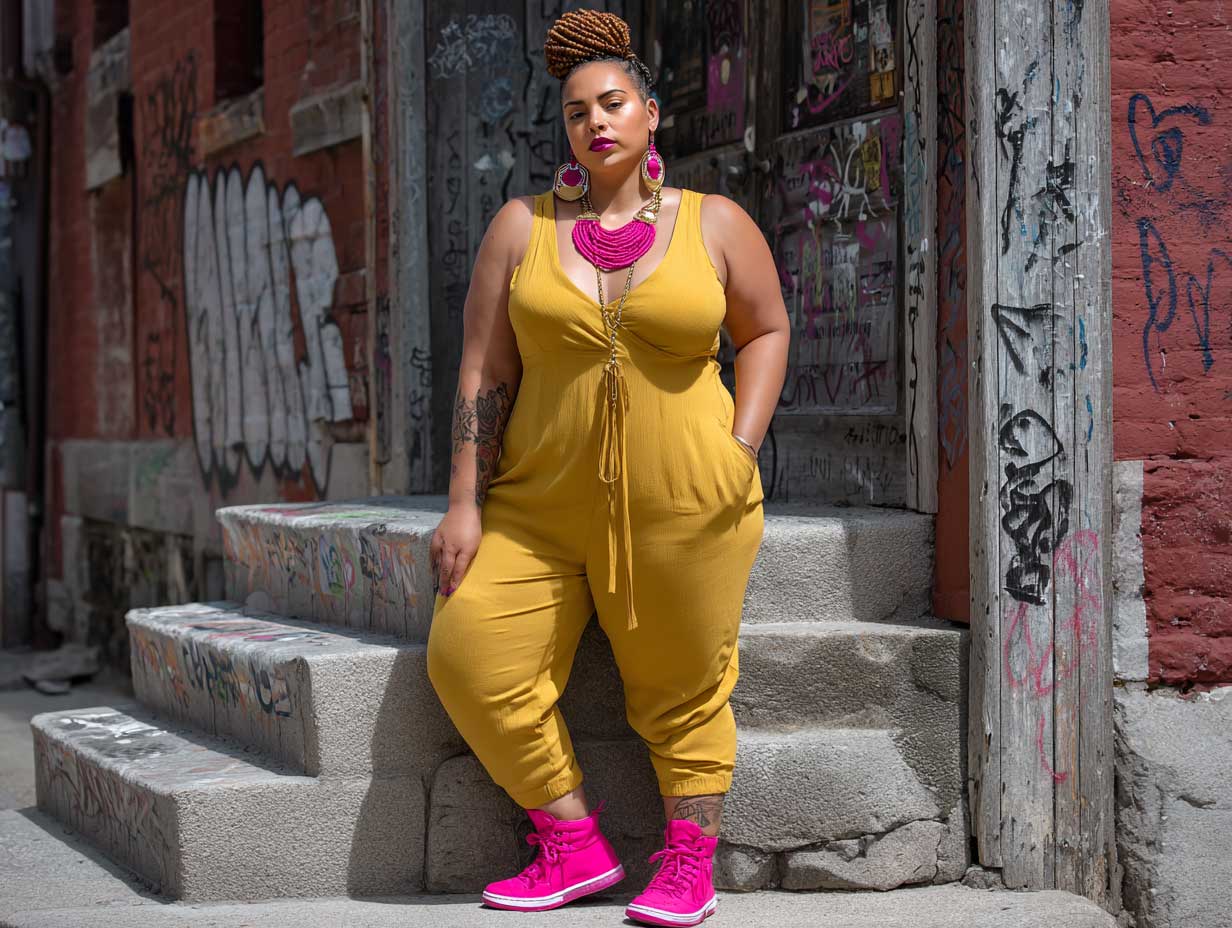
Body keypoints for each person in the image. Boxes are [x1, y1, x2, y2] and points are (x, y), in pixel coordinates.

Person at [425, 9, 789, 926]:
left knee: (683, 687)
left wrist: (739, 449)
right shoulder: (521, 228)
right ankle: (575, 843)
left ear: (652, 114)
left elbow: (767, 330)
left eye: (614, 102)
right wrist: (464, 503)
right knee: (469, 654)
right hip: (538, 505)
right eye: (578, 110)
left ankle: (688, 862)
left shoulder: (717, 223)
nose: (596, 121)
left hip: (686, 500)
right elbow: (482, 369)